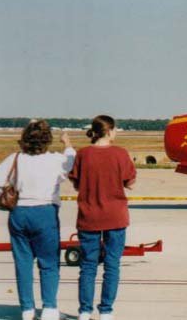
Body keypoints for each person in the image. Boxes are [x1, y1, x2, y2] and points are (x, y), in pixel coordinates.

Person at [0, 119, 75, 320]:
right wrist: (67, 143)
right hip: (45, 212)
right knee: (49, 262)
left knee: (23, 263)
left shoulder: (15, 158)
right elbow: (71, 161)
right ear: (47, 139)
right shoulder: (55, 160)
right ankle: (49, 309)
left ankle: (27, 310)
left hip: (19, 213)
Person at [69, 115, 136, 320]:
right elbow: (130, 183)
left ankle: (85, 311)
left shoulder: (83, 154)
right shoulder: (120, 153)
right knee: (112, 265)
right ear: (109, 131)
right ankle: (106, 311)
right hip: (115, 217)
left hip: (88, 216)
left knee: (88, 266)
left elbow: (76, 184)